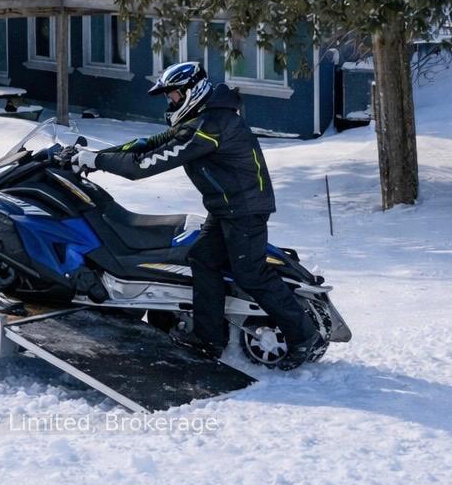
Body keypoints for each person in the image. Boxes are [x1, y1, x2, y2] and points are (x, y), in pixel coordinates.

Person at [71, 60, 322, 368]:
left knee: (251, 274)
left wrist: (97, 162)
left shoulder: (211, 126)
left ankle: (304, 336)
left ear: (193, 90)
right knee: (202, 259)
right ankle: (210, 338)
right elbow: (149, 144)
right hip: (225, 208)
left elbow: (146, 164)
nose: (171, 101)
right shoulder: (200, 120)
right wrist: (96, 155)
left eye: (174, 95)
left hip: (244, 210)